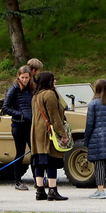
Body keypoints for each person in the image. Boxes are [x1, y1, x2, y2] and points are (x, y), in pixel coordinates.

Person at [28, 70, 69, 202]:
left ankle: (40, 191)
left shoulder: (35, 95)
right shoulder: (50, 94)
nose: (55, 81)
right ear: (48, 81)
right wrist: (63, 134)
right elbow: (54, 117)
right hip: (48, 132)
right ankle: (52, 190)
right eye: (53, 79)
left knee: (39, 160)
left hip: (36, 131)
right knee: (51, 159)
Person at [2, 63, 37, 190]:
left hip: (31, 124)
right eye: (22, 77)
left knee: (35, 152)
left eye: (26, 77)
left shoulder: (32, 89)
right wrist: (20, 115)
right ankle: (17, 180)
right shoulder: (13, 89)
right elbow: (5, 108)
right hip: (18, 125)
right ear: (18, 77)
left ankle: (37, 178)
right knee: (20, 153)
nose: (24, 80)